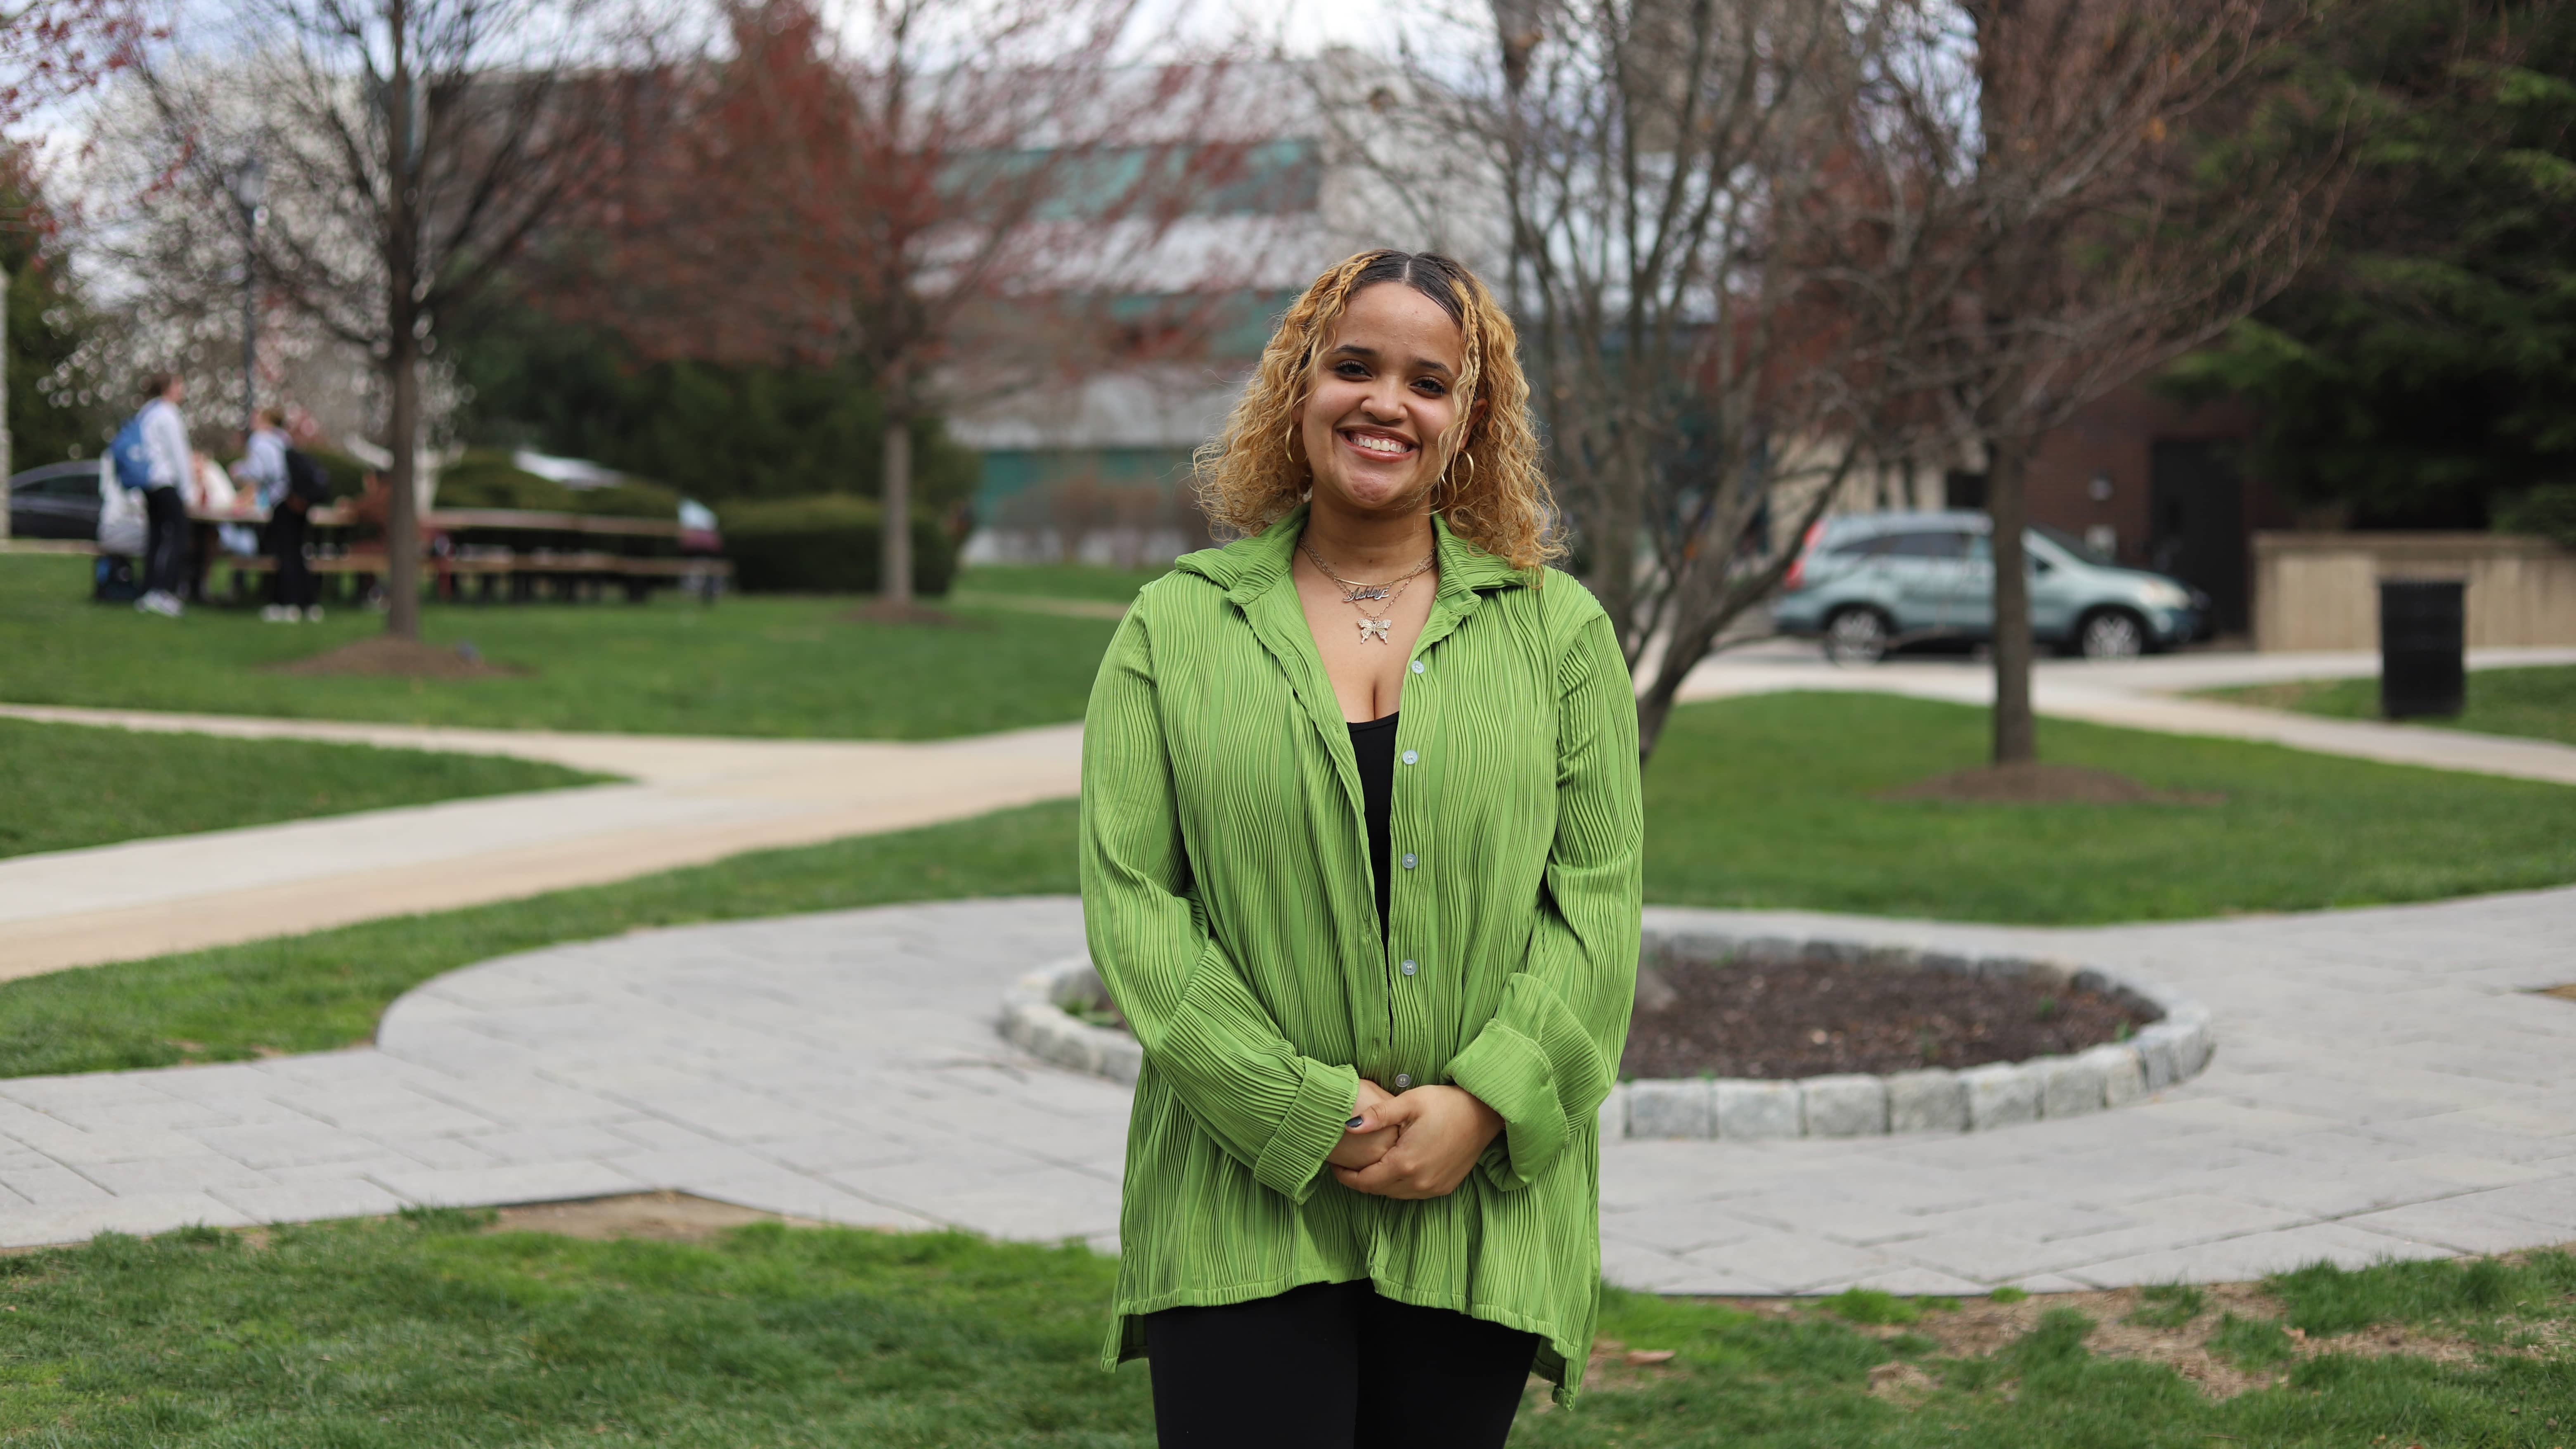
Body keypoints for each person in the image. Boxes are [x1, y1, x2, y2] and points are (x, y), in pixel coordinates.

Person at [1080, 250, 1644, 1449]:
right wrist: (1295, 1108)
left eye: (1427, 381)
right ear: (1297, 389)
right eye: (1354, 367)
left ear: (1469, 422)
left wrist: (1484, 1105)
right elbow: (1136, 910)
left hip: (1475, 1210)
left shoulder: (1561, 634)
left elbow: (1595, 909)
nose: (1387, 401)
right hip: (1236, 1201)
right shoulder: (1175, 627)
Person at [234, 409, 324, 621]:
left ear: (266, 420)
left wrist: (239, 471)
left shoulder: (261, 441)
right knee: (298, 552)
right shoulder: (285, 440)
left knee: (284, 553)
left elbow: (261, 472)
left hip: (282, 501)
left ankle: (287, 604)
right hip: (298, 501)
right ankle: (308, 604)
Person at [130, 374, 194, 617]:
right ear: (168, 389)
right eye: (178, 385)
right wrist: (187, 492)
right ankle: (164, 591)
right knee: (179, 535)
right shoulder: (169, 414)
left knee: (156, 536)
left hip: (148, 482)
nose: (182, 390)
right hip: (165, 481)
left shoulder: (145, 414)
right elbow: (179, 454)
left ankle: (147, 591)